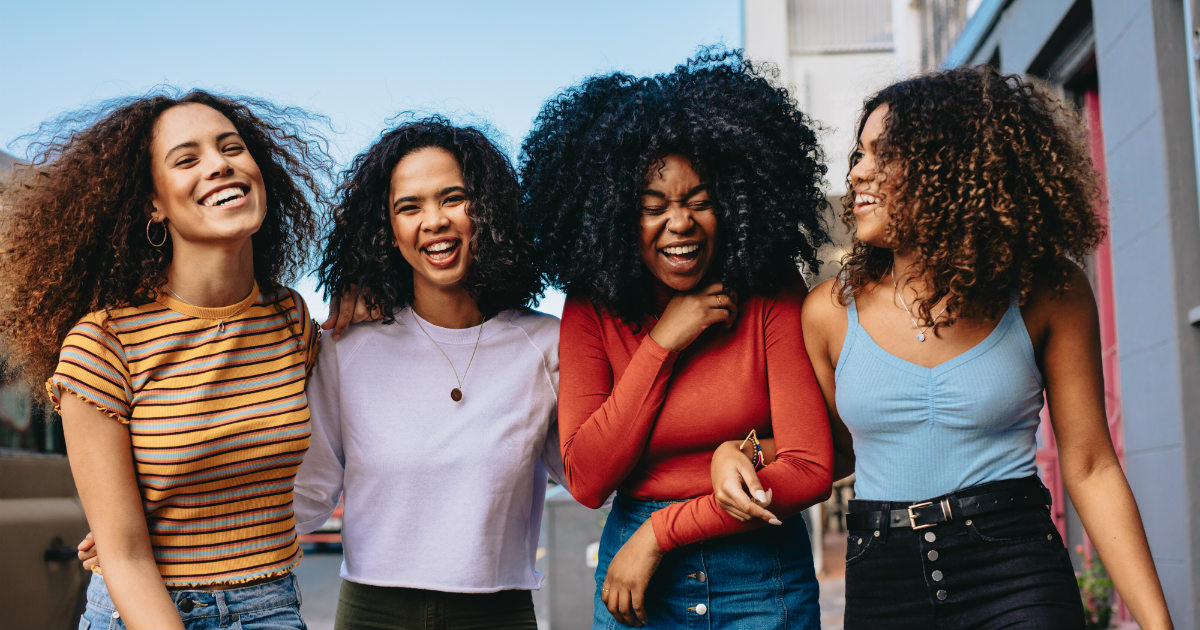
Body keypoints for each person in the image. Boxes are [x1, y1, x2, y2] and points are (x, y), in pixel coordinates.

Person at [715, 65, 1173, 629]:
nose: (858, 173)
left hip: (1016, 570)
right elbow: (832, 449)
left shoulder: (1048, 292)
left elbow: (1090, 465)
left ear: (949, 165)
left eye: (882, 154)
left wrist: (1157, 622)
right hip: (884, 579)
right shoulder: (828, 313)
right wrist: (744, 452)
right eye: (858, 155)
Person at [520, 48, 834, 629]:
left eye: (700, 202)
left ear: (736, 204)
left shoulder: (768, 289)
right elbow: (588, 479)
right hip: (637, 590)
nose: (680, 223)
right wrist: (663, 343)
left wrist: (662, 533)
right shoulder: (593, 307)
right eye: (652, 207)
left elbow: (810, 466)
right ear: (613, 216)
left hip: (759, 574)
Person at [0, 91, 328, 630]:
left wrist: (371, 292)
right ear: (154, 203)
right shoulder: (103, 343)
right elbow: (125, 558)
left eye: (232, 148)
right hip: (146, 611)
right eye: (187, 159)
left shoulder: (289, 318)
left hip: (273, 606)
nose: (220, 164)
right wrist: (115, 529)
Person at [297, 117, 562, 630]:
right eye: (409, 207)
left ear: (487, 211)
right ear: (389, 233)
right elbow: (306, 497)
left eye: (453, 198)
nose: (434, 220)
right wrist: (169, 536)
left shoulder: (547, 345)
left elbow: (595, 475)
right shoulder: (346, 349)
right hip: (372, 615)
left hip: (500, 615)